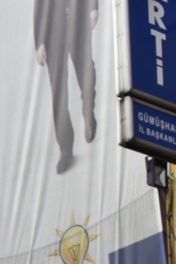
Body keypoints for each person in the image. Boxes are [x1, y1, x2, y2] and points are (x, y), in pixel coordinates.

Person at [34, 0, 99, 175]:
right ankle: (66, 150)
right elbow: (39, 4)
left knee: (85, 69)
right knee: (58, 93)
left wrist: (93, 7)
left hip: (77, 19)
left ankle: (88, 115)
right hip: (52, 32)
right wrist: (39, 41)